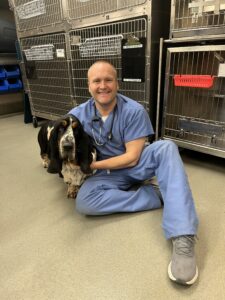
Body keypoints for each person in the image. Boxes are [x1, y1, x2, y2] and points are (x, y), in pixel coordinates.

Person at [69, 60, 199, 286]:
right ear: (88, 86)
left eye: (108, 80)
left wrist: (91, 166)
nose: (103, 86)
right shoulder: (76, 116)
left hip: (136, 165)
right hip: (107, 174)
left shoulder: (134, 110)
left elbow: (132, 157)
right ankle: (155, 196)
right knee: (84, 203)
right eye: (96, 81)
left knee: (166, 147)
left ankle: (183, 237)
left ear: (117, 83)